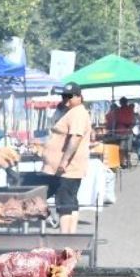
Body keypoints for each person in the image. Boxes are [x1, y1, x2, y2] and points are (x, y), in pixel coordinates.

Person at [40, 82, 92, 234]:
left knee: (64, 204)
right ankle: (71, 238)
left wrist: (64, 161)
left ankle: (65, 240)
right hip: (67, 168)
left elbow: (75, 138)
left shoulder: (78, 113)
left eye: (69, 96)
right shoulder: (72, 112)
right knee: (70, 202)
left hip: (67, 168)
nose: (66, 99)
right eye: (64, 96)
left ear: (78, 97)